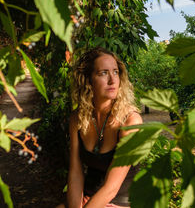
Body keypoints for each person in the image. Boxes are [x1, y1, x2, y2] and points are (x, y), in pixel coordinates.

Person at [58, 47, 142, 208]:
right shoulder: (78, 118)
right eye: (103, 73)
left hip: (119, 203)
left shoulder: (130, 121)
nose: (112, 80)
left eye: (115, 72)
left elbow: (112, 188)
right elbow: (75, 173)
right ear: (88, 80)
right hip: (88, 199)